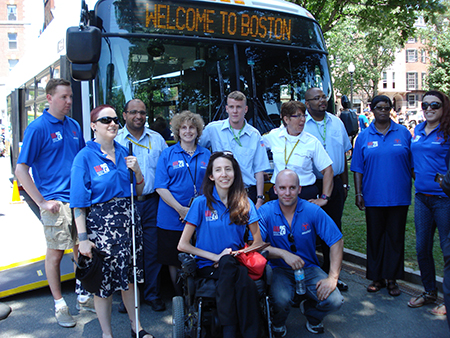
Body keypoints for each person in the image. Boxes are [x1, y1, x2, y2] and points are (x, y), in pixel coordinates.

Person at [70, 105, 155, 338]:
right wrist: (83, 240)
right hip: (102, 227)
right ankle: (107, 333)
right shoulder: (85, 157)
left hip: (129, 222)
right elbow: (78, 203)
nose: (113, 124)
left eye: (115, 119)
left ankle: (136, 327)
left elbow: (138, 190)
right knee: (104, 283)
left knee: (129, 277)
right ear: (93, 125)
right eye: (106, 119)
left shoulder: (124, 151)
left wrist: (137, 171)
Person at [15, 78, 90, 328]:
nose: (69, 101)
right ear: (49, 98)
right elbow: (21, 170)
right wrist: (42, 202)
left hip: (78, 201)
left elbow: (82, 160)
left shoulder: (74, 125)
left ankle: (83, 295)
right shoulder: (37, 128)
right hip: (56, 203)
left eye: (70, 97)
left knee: (82, 249)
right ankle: (59, 305)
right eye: (63, 97)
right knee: (56, 254)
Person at [178, 151, 265, 338]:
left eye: (228, 169)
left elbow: (258, 242)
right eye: (218, 170)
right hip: (207, 266)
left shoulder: (245, 203)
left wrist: (234, 255)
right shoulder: (201, 203)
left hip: (235, 261)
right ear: (211, 175)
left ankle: (229, 331)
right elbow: (183, 245)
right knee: (240, 278)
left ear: (235, 173)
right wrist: (216, 257)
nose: (224, 174)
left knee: (230, 265)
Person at [258, 170, 344, 336]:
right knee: (281, 299)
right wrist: (283, 254)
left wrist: (332, 278)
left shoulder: (312, 210)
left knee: (335, 300)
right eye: (282, 188)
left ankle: (312, 315)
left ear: (300, 189)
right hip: (278, 269)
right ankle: (278, 322)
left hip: (309, 268)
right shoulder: (265, 212)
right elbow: (257, 246)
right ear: (275, 190)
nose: (287, 193)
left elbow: (336, 241)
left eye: (292, 187)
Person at [351, 95, 412, 297]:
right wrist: (359, 193)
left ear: (391, 109)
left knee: (395, 238)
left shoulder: (403, 133)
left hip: (398, 196)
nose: (383, 111)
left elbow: (413, 165)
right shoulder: (364, 137)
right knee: (375, 238)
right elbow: (358, 168)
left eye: (387, 108)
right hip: (373, 196)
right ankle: (377, 278)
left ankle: (392, 278)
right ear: (372, 110)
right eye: (379, 108)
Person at [116, 99, 168, 312]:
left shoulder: (157, 140)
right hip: (125, 203)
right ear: (125, 114)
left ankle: (152, 294)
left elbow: (166, 169)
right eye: (134, 112)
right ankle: (128, 296)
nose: (139, 116)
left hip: (152, 202)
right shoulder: (115, 139)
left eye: (143, 113)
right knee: (127, 251)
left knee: (152, 250)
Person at [155, 111, 210, 294]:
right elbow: (160, 187)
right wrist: (180, 209)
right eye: (183, 127)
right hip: (171, 217)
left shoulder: (207, 154)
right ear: (178, 131)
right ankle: (180, 297)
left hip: (200, 216)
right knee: (174, 259)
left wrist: (194, 211)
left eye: (192, 127)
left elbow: (212, 185)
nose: (188, 131)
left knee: (199, 255)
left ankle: (196, 296)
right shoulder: (167, 154)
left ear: (198, 130)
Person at [304, 87, 352, 292]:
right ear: (307, 103)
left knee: (333, 229)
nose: (322, 101)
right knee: (308, 231)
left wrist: (345, 183)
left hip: (335, 184)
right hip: (311, 184)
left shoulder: (337, 122)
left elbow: (343, 155)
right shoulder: (300, 123)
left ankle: (333, 274)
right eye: (316, 98)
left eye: (324, 97)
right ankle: (309, 275)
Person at [408, 90, 450, 317]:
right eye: (425, 105)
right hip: (422, 198)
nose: (429, 109)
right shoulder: (417, 130)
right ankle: (430, 291)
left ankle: (448, 299)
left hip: (445, 200)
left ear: (444, 107)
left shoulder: (448, 131)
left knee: (447, 251)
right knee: (422, 247)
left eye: (435, 104)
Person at [199, 91, 270, 208]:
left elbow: (259, 169)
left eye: (239, 107)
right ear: (226, 109)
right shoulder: (213, 129)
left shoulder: (254, 135)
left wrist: (259, 199)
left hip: (246, 193)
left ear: (246, 109)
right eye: (231, 107)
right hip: (220, 193)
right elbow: (197, 149)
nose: (235, 111)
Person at [262, 100, 334, 202]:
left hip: (304, 193)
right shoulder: (274, 136)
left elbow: (328, 170)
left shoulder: (311, 142)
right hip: (278, 193)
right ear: (286, 119)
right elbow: (254, 148)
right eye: (298, 116)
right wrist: (259, 170)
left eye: (304, 116)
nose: (303, 120)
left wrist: (324, 197)